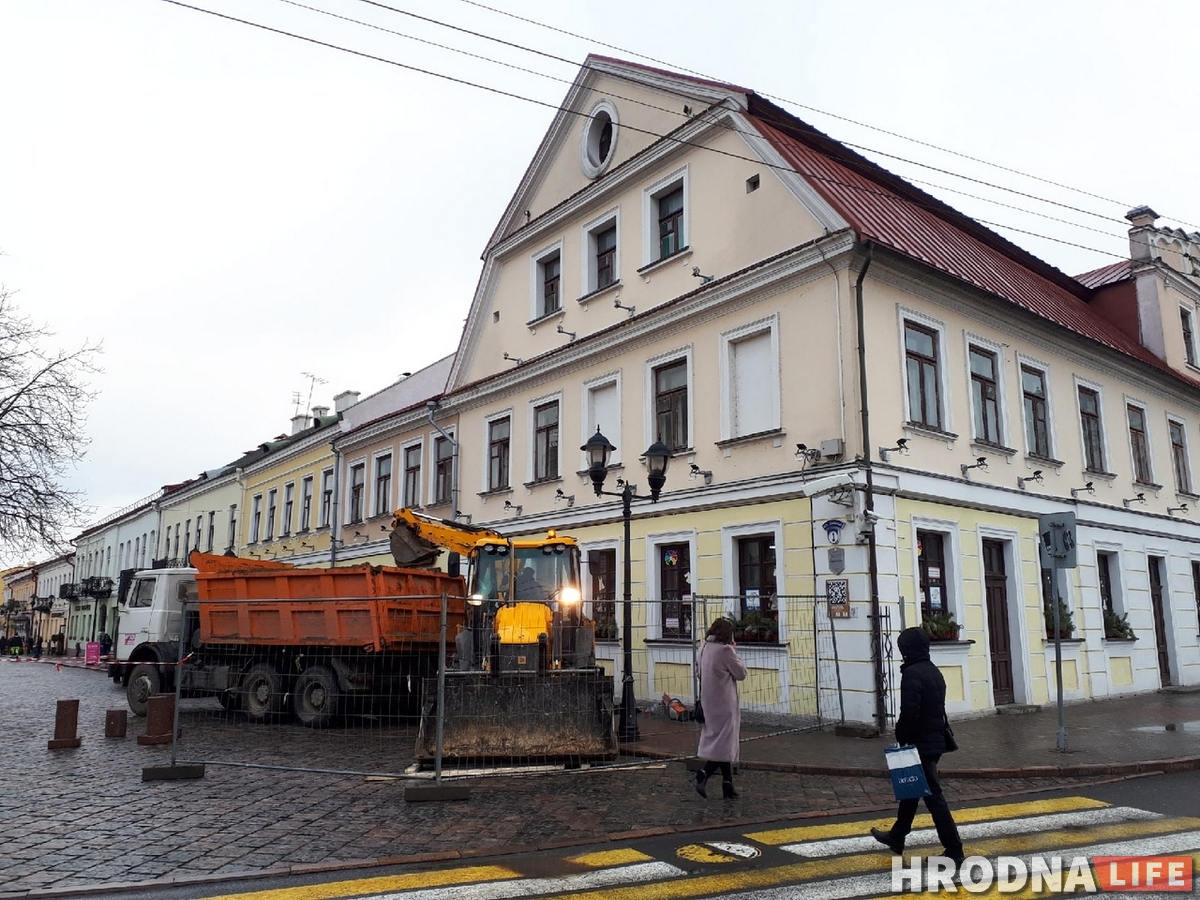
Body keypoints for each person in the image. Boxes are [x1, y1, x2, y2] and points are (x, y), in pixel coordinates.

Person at [871, 626, 965, 868]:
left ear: (909, 649)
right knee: (912, 791)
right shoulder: (933, 671)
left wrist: (901, 736)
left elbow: (910, 712)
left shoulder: (912, 674)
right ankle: (897, 836)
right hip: (933, 741)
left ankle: (954, 850)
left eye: (903, 648)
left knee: (934, 798)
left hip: (921, 744)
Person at [694, 617, 747, 799]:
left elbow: (698, 672)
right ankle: (704, 774)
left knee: (721, 743)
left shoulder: (703, 649)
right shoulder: (725, 651)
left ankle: (727, 784)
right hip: (725, 704)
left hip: (708, 702)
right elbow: (741, 674)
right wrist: (735, 652)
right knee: (724, 743)